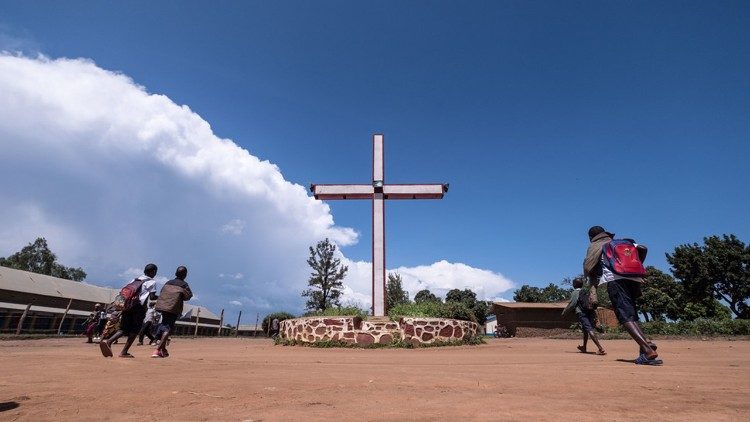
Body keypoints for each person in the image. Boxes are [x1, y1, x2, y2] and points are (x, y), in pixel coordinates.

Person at [584, 226, 661, 365]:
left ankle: (647, 350)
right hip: (634, 280)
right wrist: (635, 265)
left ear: (591, 237)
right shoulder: (622, 242)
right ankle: (646, 345)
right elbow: (643, 248)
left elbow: (588, 267)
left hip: (615, 281)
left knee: (624, 316)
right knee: (631, 315)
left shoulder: (596, 245)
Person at [100, 263, 158, 358]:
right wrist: (161, 297)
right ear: (153, 272)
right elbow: (152, 297)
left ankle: (109, 341)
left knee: (123, 328)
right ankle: (124, 352)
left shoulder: (135, 280)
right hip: (138, 307)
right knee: (135, 330)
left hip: (127, 306)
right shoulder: (152, 282)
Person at [153, 266, 192, 358]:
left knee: (164, 324)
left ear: (175, 273)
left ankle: (163, 350)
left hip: (163, 307)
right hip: (173, 308)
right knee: (168, 328)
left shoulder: (168, 282)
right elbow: (189, 296)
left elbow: (162, 292)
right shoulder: (184, 284)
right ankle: (157, 350)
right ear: (185, 275)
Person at [562, 278, 605, 355]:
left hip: (582, 313)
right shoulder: (585, 292)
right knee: (585, 330)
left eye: (573, 283)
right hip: (589, 312)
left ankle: (600, 348)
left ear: (575, 285)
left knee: (589, 329)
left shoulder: (575, 292)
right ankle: (584, 347)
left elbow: (572, 304)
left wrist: (565, 312)